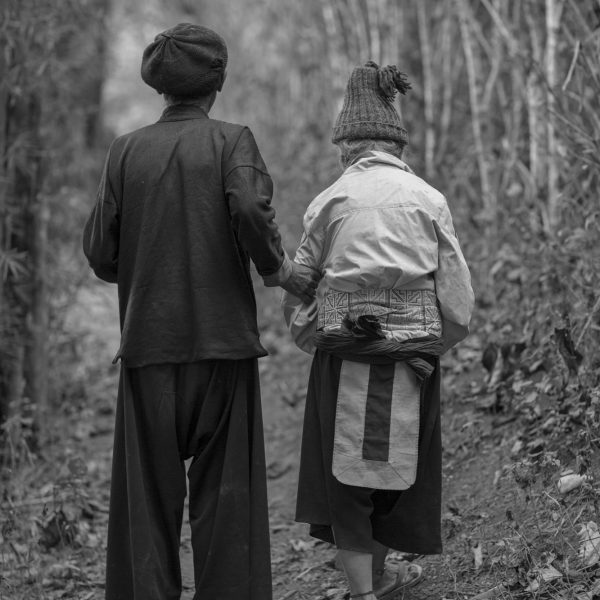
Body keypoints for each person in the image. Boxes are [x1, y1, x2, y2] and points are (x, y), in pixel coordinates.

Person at [83, 23, 318, 600]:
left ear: (158, 87)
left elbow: (100, 253)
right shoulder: (232, 142)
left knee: (147, 509)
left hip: (147, 349)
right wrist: (274, 270)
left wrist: (141, 269)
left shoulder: (125, 151)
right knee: (228, 507)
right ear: (217, 81)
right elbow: (247, 207)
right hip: (223, 350)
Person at [283, 61, 474, 600]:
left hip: (343, 354)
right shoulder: (429, 199)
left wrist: (310, 336)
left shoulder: (329, 201)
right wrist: (435, 342)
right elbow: (456, 298)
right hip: (413, 355)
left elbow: (302, 286)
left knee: (345, 480)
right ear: (397, 145)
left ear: (347, 145)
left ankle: (364, 591)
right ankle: (383, 574)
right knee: (398, 470)